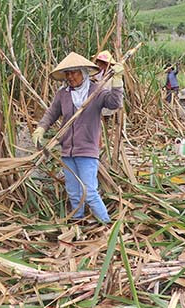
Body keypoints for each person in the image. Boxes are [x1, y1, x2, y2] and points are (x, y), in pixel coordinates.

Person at [32, 52, 124, 223]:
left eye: (74, 72)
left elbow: (114, 103)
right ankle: (77, 222)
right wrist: (40, 128)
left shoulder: (96, 92)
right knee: (74, 192)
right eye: (68, 73)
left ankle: (107, 225)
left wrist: (117, 82)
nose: (70, 76)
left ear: (83, 72)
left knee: (89, 192)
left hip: (87, 150)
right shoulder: (63, 94)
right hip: (68, 151)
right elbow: (51, 114)